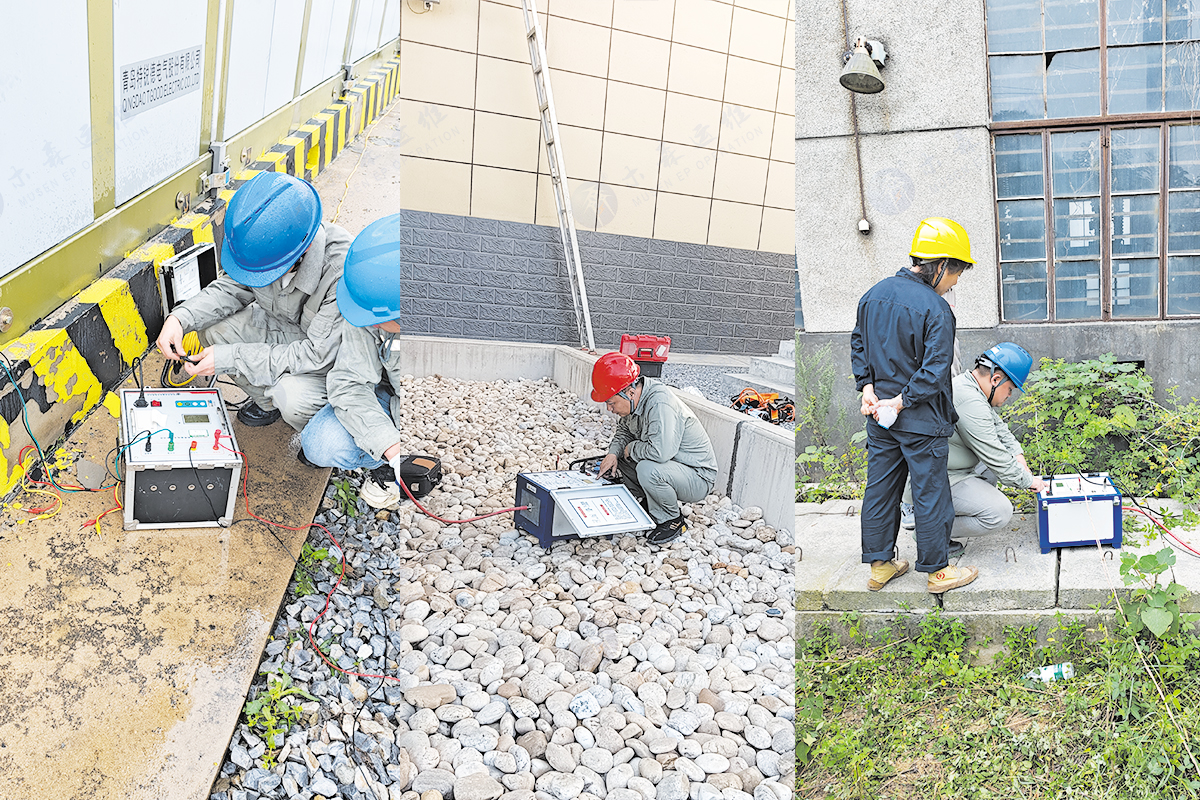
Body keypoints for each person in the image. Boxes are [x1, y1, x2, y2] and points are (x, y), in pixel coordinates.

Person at [155, 171, 351, 431]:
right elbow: (230, 288)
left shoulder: (341, 273)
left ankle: (322, 434)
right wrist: (179, 318)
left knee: (292, 398)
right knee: (214, 331)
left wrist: (232, 358)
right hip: (291, 332)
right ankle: (266, 403)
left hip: (327, 358)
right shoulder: (263, 244)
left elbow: (317, 355)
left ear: (302, 250)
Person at [850, 217, 980, 595]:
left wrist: (868, 389)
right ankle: (938, 572)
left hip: (880, 418)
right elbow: (935, 370)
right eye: (956, 273)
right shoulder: (937, 310)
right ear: (940, 265)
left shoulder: (873, 295)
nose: (955, 283)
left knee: (881, 487)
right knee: (930, 489)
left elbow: (858, 344)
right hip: (921, 418)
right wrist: (903, 400)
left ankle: (880, 566)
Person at [299, 214, 413, 509]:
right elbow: (349, 383)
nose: (369, 325)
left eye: (379, 321)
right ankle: (388, 461)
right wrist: (391, 446)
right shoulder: (370, 300)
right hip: (386, 395)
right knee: (320, 444)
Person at [591, 352, 718, 545]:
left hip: (698, 476)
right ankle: (648, 503)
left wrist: (631, 448)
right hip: (674, 468)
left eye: (611, 402)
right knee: (622, 458)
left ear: (629, 392)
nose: (610, 409)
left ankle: (672, 520)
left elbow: (661, 453)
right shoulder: (634, 401)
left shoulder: (660, 404)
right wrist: (613, 454)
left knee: (647, 469)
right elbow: (624, 431)